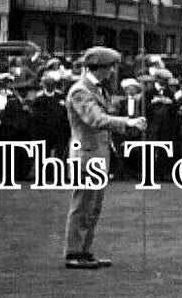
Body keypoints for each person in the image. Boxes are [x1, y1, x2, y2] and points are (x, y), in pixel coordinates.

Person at [62, 47, 146, 269]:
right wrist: (127, 122)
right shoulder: (81, 91)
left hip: (97, 155)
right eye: (110, 68)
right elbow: (95, 119)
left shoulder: (98, 90)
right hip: (86, 155)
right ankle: (73, 252)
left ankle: (84, 251)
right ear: (100, 68)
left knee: (93, 207)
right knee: (82, 206)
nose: (112, 73)